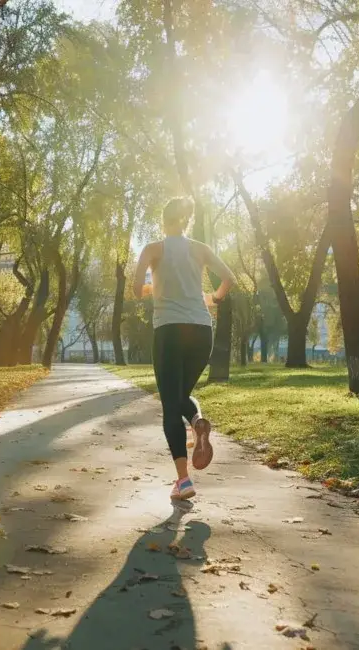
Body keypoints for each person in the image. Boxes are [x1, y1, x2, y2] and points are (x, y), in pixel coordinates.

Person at [133, 196, 235, 500]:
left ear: (164, 221)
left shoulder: (153, 249)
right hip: (202, 332)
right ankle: (196, 422)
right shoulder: (200, 249)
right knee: (179, 397)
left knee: (170, 404)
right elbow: (229, 279)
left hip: (169, 332)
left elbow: (137, 290)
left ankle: (184, 481)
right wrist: (212, 299)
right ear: (187, 221)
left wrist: (154, 287)